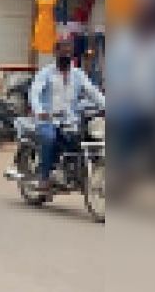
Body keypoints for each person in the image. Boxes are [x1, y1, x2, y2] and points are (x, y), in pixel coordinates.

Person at [28, 40, 106, 190]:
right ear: (55, 53)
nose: (66, 55)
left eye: (69, 52)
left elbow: (92, 92)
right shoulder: (45, 73)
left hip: (71, 120)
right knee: (49, 137)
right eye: (63, 52)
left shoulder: (78, 74)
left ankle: (73, 171)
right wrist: (39, 111)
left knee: (85, 139)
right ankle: (44, 176)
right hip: (48, 119)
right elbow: (35, 94)